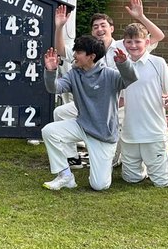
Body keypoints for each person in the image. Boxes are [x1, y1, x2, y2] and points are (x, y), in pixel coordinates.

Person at [40, 35, 136, 191]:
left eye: (79, 52)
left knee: (99, 186)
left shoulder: (109, 75)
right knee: (49, 131)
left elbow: (130, 79)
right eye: (75, 51)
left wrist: (124, 64)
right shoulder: (73, 74)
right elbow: (54, 88)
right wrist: (51, 71)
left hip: (103, 135)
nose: (75, 55)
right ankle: (65, 176)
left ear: (91, 57)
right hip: (82, 125)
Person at [119, 22, 168, 187]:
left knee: (161, 181)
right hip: (129, 134)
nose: (133, 45)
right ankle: (166, 157)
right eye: (129, 42)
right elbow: (121, 99)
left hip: (153, 132)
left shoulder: (158, 63)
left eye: (137, 41)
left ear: (147, 42)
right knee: (132, 179)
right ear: (124, 43)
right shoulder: (121, 66)